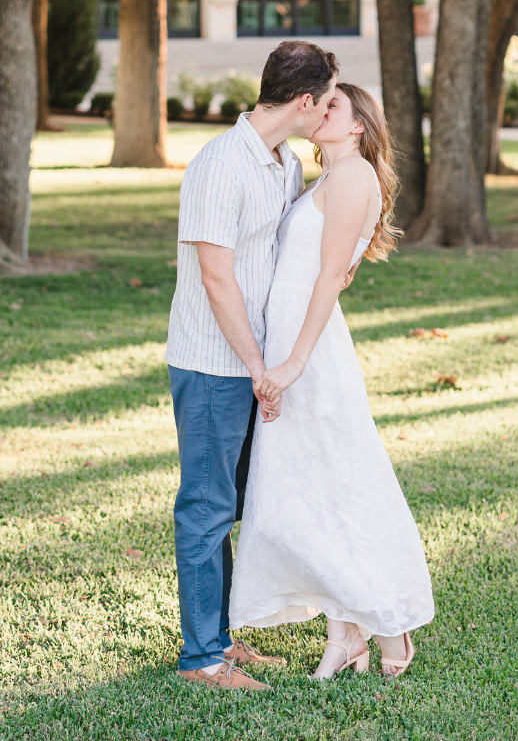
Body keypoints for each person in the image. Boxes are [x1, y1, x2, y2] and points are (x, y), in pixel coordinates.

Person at [229, 82, 435, 679]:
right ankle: (347, 635)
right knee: (313, 483)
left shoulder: (352, 179)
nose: (321, 112)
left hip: (309, 350)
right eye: (320, 103)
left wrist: (291, 363)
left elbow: (325, 282)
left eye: (334, 106)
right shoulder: (335, 177)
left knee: (334, 483)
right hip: (294, 338)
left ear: (359, 127)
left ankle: (388, 623)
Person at [166, 39, 339, 691]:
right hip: (214, 365)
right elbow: (217, 278)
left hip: (255, 365)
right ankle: (201, 659)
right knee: (206, 508)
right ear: (302, 101)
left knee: (236, 504)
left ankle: (221, 639)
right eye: (323, 103)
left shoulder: (284, 164)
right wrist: (257, 364)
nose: (325, 113)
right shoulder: (218, 165)